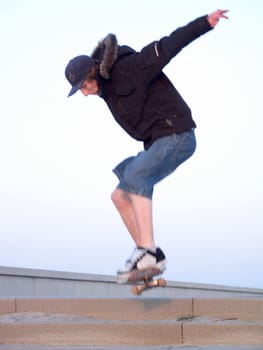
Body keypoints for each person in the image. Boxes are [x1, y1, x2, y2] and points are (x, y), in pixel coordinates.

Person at [65, 9, 228, 283]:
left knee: (138, 176)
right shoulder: (106, 91)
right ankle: (145, 253)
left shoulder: (130, 68)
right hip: (157, 144)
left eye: (84, 85)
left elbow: (168, 46)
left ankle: (150, 252)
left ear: (94, 71)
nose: (85, 92)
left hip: (179, 135)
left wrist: (204, 23)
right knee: (119, 195)